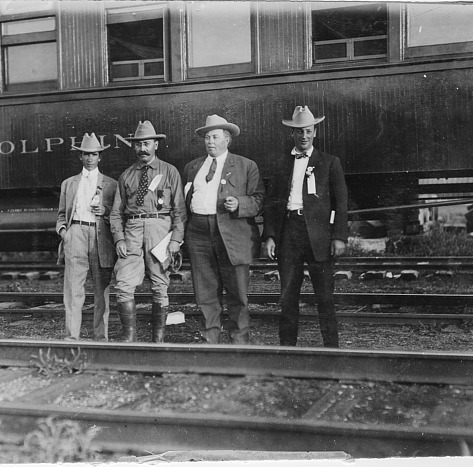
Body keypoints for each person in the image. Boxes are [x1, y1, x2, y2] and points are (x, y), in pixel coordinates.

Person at [262, 106, 348, 348]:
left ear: (315, 132)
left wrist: (339, 236)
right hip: (289, 232)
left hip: (319, 235)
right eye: (299, 132)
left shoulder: (330, 163)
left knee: (325, 297)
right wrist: (270, 236)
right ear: (293, 134)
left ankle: (331, 350)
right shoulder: (281, 163)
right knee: (288, 297)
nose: (303, 136)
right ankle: (288, 351)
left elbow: (341, 202)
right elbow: (272, 202)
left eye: (308, 131)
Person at [183, 115, 265, 345]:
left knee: (237, 290)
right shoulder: (193, 167)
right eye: (207, 137)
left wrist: (240, 203)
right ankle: (211, 336)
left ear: (227, 139)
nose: (209, 141)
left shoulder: (246, 166)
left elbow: (259, 200)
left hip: (231, 233)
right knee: (205, 289)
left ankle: (240, 338)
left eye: (215, 137)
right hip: (198, 232)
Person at [110, 120, 186, 343]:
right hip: (132, 230)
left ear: (156, 145)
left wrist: (176, 240)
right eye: (138, 144)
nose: (142, 149)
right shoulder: (126, 176)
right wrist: (118, 239)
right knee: (123, 284)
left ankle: (158, 340)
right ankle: (129, 338)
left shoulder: (170, 172)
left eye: (146, 144)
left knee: (160, 285)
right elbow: (115, 213)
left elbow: (180, 211)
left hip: (160, 230)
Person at [56, 133, 117, 341]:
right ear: (80, 157)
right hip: (76, 235)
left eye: (94, 154)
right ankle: (72, 337)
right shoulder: (69, 184)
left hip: (100, 237)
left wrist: (105, 211)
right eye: (86, 154)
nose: (90, 158)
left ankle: (101, 338)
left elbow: (117, 214)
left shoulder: (111, 184)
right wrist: (65, 233)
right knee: (73, 290)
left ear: (100, 157)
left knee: (102, 292)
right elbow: (61, 214)